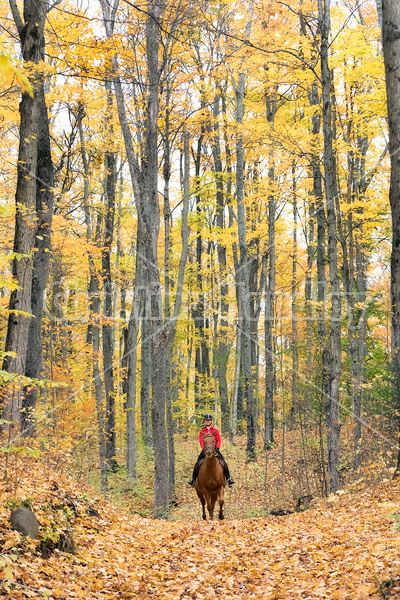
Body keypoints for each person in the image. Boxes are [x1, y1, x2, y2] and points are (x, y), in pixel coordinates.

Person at [187, 413, 235, 487]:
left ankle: (229, 479)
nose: (208, 421)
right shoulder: (202, 431)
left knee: (223, 462)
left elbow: (218, 439)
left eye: (209, 420)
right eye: (206, 420)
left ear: (211, 421)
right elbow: (201, 441)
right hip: (205, 450)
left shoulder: (215, 430)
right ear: (204, 421)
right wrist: (204, 449)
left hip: (215, 449)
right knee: (197, 463)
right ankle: (193, 480)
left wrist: (217, 448)